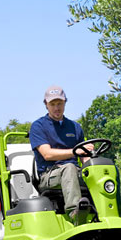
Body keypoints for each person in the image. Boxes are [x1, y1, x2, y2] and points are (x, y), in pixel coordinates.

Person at [29, 85, 93, 221]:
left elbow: (84, 157)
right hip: (49, 174)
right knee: (68, 168)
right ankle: (74, 213)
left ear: (65, 103)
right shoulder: (38, 126)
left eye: (59, 103)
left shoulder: (75, 127)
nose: (57, 107)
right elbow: (47, 154)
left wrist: (91, 165)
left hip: (75, 171)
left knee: (101, 169)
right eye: (53, 104)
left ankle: (106, 214)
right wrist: (75, 152)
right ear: (46, 104)